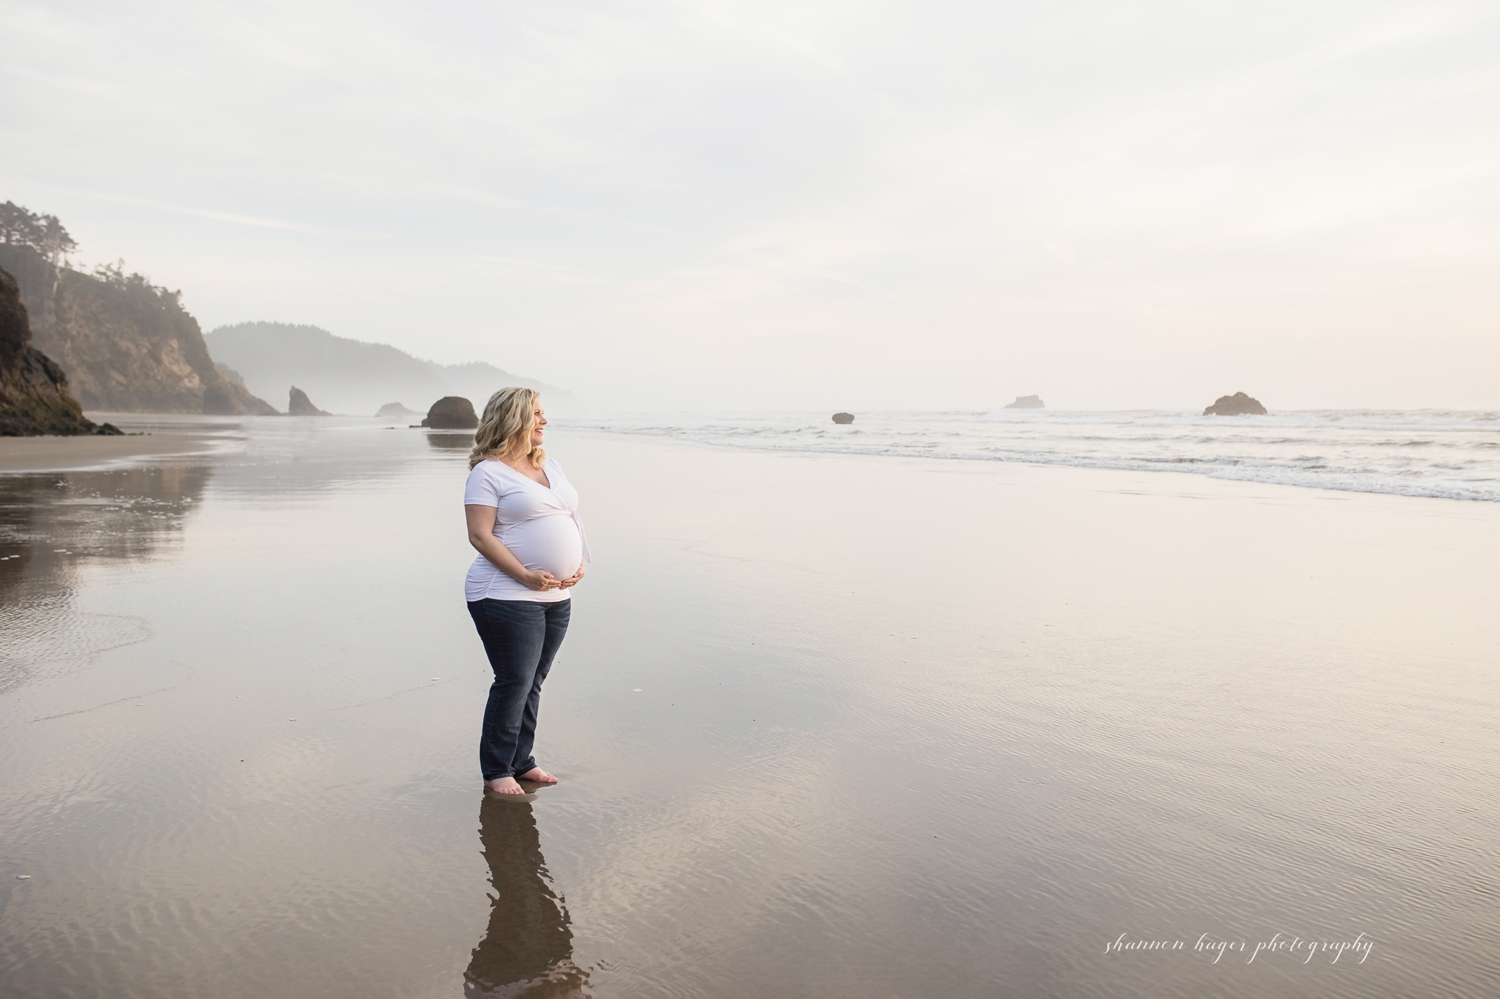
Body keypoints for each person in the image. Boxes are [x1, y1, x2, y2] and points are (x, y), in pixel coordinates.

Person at [464, 388, 588, 795]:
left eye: (542, 412)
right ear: (513, 417)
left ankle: (522, 761)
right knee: (514, 680)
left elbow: (570, 516)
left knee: (533, 681)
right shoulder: (488, 473)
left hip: (555, 596)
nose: (544, 420)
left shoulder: (549, 464)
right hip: (504, 594)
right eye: (536, 413)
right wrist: (524, 575)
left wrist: (579, 561)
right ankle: (497, 770)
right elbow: (480, 536)